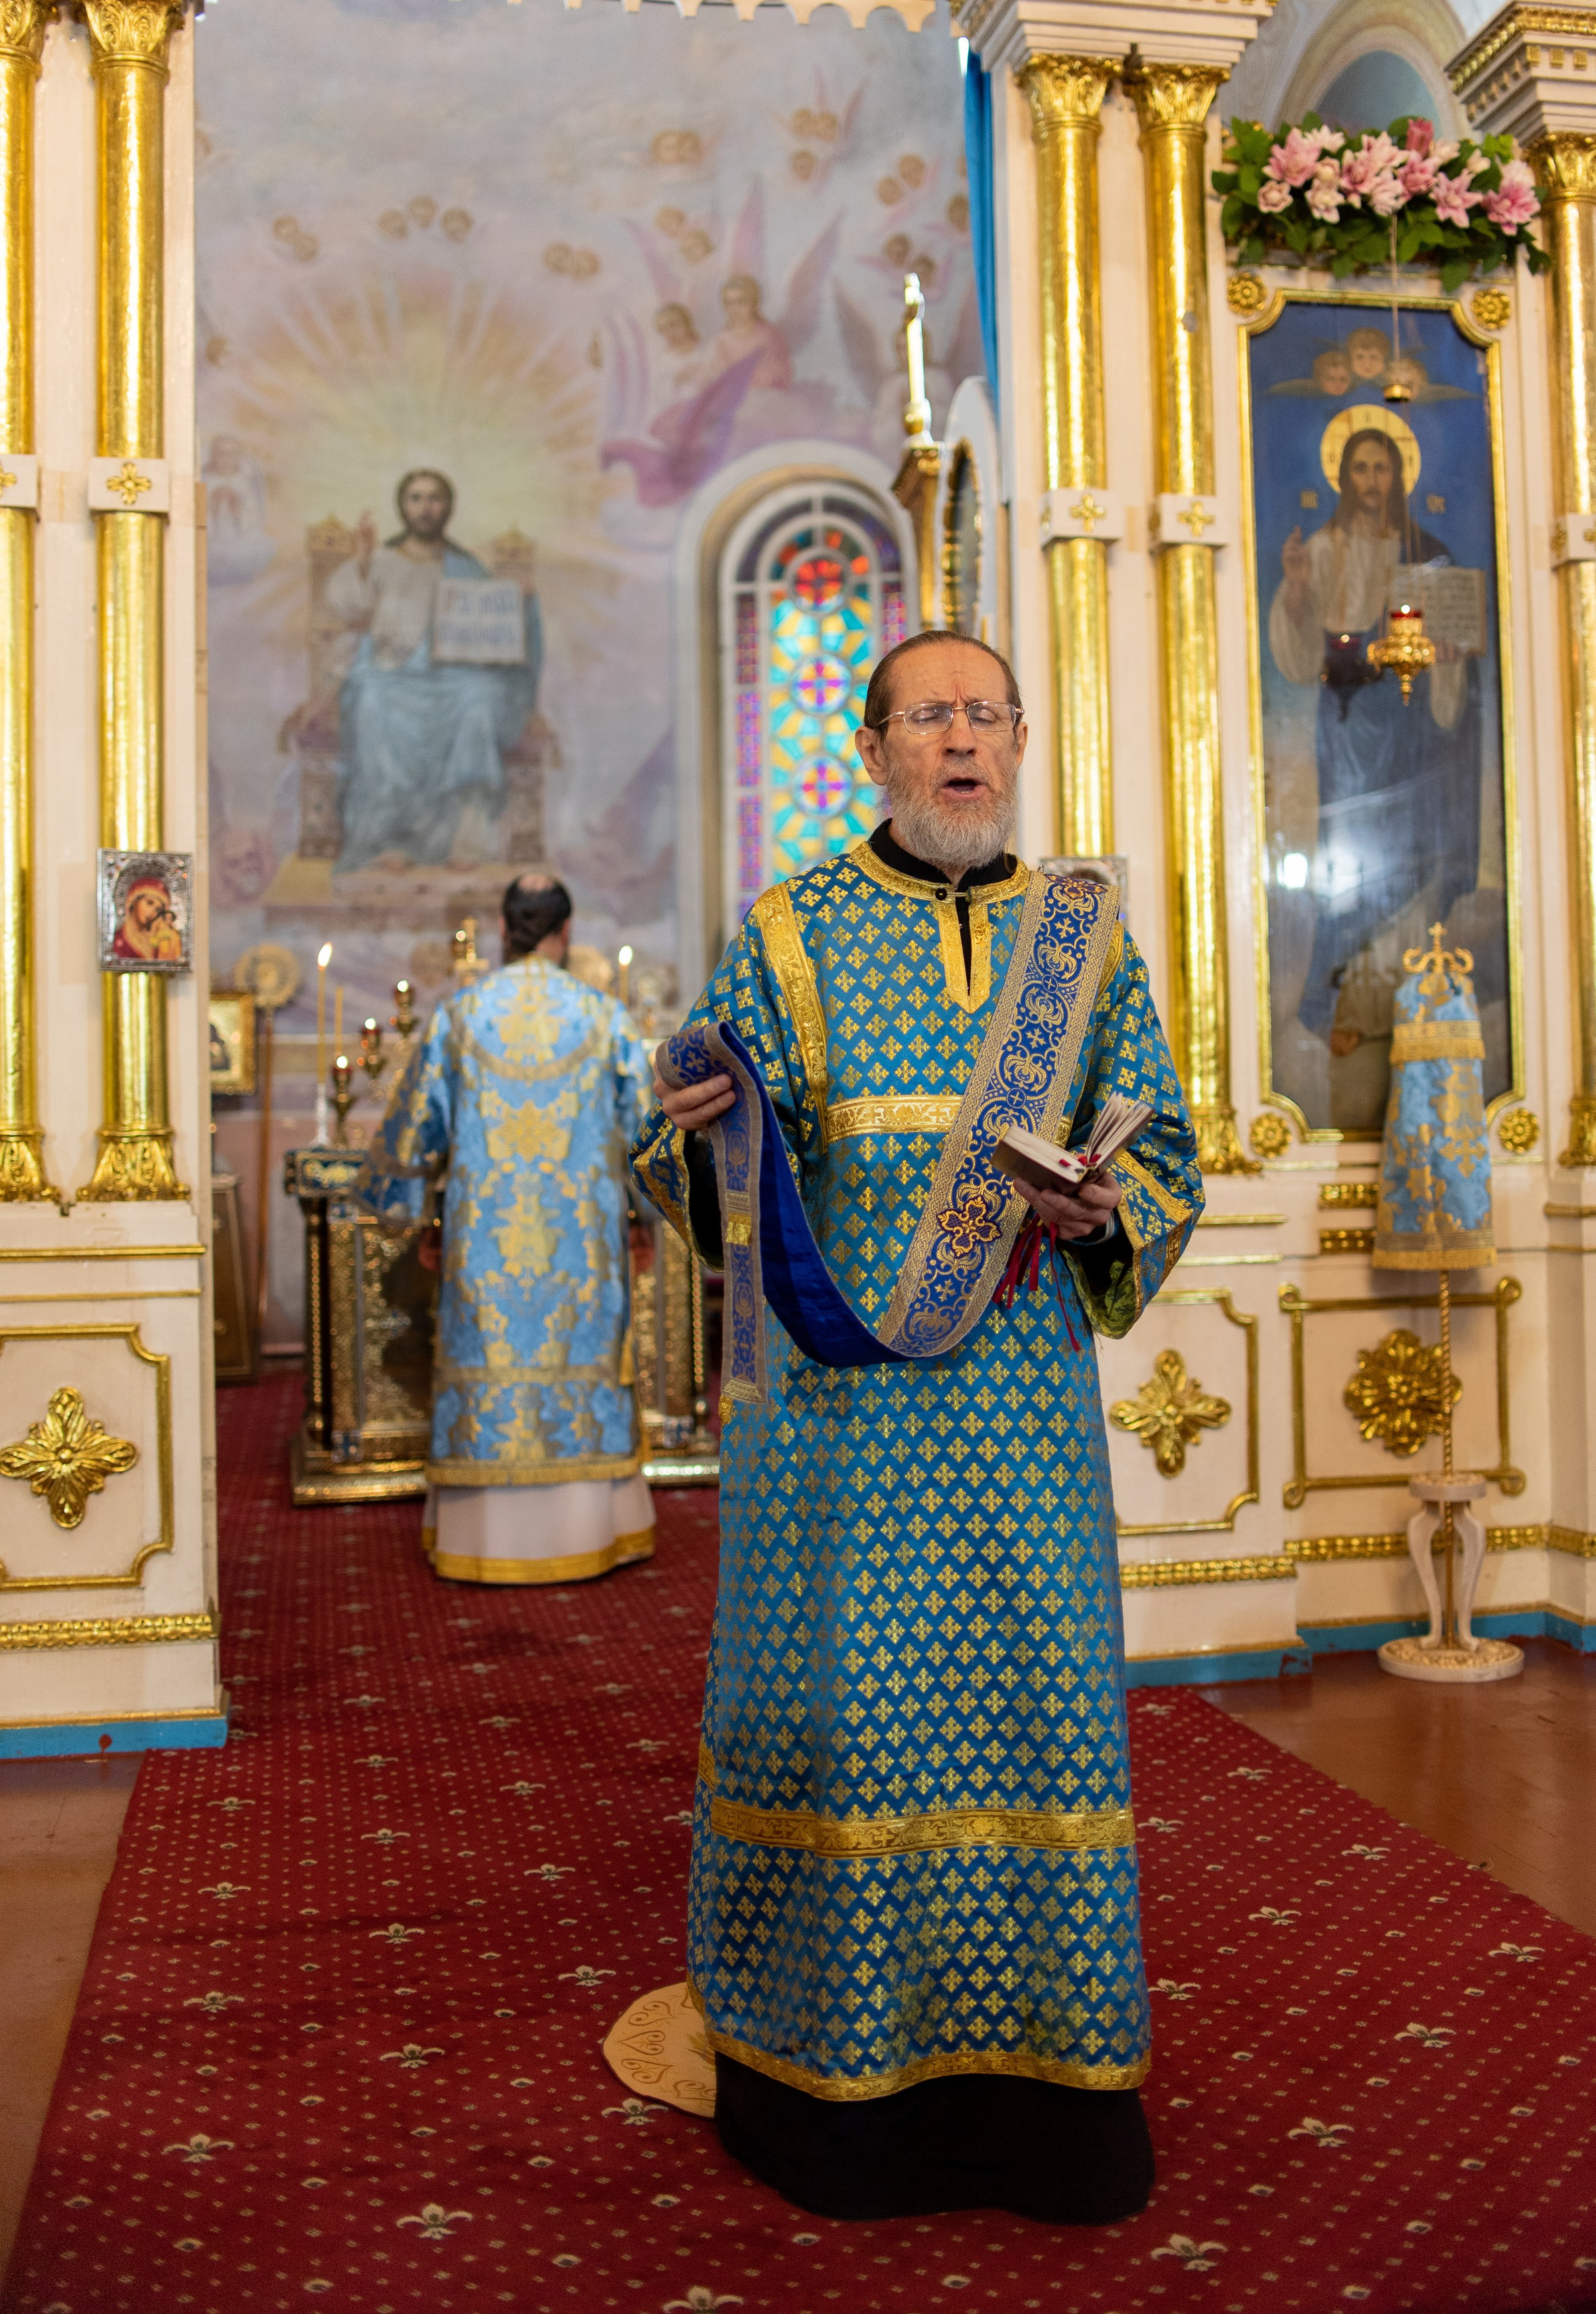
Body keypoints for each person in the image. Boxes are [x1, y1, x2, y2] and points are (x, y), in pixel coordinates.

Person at [630, 627, 1202, 2223]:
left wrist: (1101, 1210)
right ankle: (837, 2082)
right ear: (870, 744)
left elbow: (1166, 1151)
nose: (961, 738)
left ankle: (1048, 2092)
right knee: (852, 1724)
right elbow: (699, 1148)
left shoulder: (1084, 942)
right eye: (928, 714)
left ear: (1017, 741)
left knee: (1037, 1708)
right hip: (837, 1431)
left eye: (985, 712)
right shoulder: (790, 928)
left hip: (1018, 1417)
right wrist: (692, 1121)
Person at [362, 872, 656, 1585]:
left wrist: (399, 1197)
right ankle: (590, 1526)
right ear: (566, 931)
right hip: (577, 1248)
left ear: (503, 928)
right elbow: (647, 1135)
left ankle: (484, 1534)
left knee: (488, 1349)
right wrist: (646, 1215)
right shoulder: (604, 1017)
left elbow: (413, 1137)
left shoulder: (460, 1016)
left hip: (489, 1245)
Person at [1269, 425, 1481, 1130]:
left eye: (1380, 469)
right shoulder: (1322, 553)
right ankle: (1350, 1005)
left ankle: (1407, 1004)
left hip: (1413, 728)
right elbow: (1303, 659)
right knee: (1354, 857)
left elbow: (1457, 652)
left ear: (1398, 476)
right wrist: (1299, 594)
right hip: (1349, 726)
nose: (1369, 481)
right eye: (1358, 468)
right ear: (1342, 477)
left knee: (1411, 854)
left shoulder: (1429, 555)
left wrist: (1449, 656)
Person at [326, 469, 540, 873]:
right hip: (392, 672)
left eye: (435, 498)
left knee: (480, 699)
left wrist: (519, 599)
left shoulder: (465, 567)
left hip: (452, 677)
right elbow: (347, 605)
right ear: (402, 507)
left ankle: (467, 839)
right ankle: (387, 838)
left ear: (449, 507)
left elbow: (492, 628)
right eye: (416, 498)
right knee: (371, 702)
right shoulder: (382, 560)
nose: (426, 508)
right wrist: (362, 559)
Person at [110, 875, 183, 964]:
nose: (152, 912)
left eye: (158, 910)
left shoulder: (160, 940)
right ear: (133, 901)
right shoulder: (117, 940)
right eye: (149, 903)